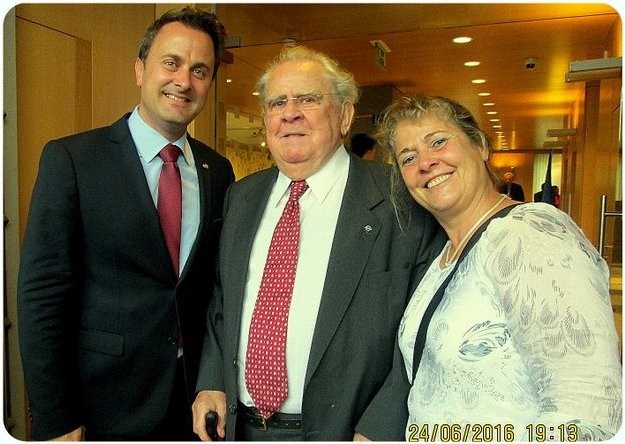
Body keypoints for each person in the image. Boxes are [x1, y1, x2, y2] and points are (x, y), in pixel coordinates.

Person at [191, 46, 445, 441]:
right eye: (277, 103)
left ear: (344, 115)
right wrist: (211, 381)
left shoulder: (400, 199)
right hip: (241, 428)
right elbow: (223, 300)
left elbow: (427, 333)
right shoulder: (241, 197)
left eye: (308, 99)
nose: (290, 113)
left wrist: (380, 427)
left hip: (348, 433)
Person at [17, 7, 234, 441]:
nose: (184, 81)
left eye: (200, 70)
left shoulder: (218, 171)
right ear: (140, 69)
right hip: (101, 407)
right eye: (171, 63)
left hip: (192, 407)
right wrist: (56, 417)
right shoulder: (73, 160)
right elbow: (41, 295)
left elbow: (214, 289)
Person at [375, 95, 622, 441]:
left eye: (439, 142)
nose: (426, 163)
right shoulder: (445, 256)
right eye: (408, 158)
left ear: (480, 146)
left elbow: (587, 405)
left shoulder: (527, 233)